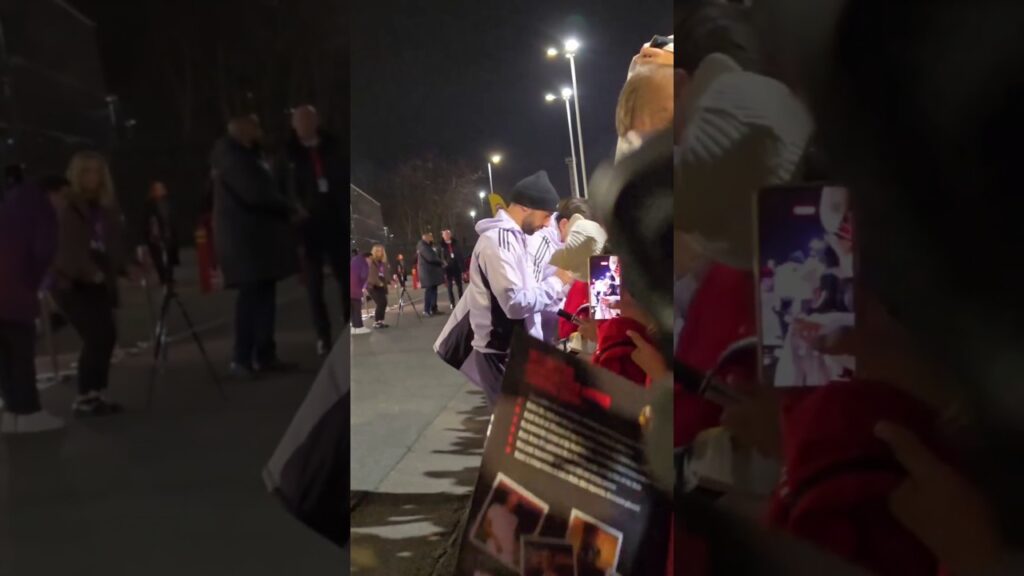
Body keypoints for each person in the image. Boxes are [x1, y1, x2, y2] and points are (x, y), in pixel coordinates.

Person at [456, 170, 573, 408]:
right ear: (526, 207)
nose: (548, 223)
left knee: (519, 434)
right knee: (510, 436)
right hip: (501, 354)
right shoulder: (498, 242)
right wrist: (558, 282)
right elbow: (515, 304)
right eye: (546, 215)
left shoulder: (516, 239)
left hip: (514, 351)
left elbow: (530, 292)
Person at [211, 114, 298, 377]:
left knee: (263, 297)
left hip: (255, 241)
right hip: (245, 242)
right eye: (255, 126)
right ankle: (242, 358)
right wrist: (289, 207)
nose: (260, 131)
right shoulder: (234, 159)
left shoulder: (246, 156)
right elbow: (255, 193)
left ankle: (264, 354)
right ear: (242, 129)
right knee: (251, 299)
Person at [53, 152, 129, 416]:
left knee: (106, 335)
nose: (92, 177)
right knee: (96, 335)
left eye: (96, 171)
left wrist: (125, 267)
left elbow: (112, 243)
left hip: (98, 277)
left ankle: (96, 392)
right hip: (71, 281)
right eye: (86, 172)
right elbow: (66, 249)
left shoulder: (105, 206)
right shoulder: (67, 206)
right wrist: (89, 272)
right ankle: (85, 396)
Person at [0, 178, 65, 432]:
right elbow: (43, 251)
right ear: (53, 193)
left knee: (4, 358)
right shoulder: (40, 211)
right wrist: (36, 281)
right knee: (21, 355)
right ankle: (29, 411)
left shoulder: (6, 208)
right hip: (17, 293)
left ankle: (12, 413)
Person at [283, 105, 347, 355]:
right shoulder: (289, 155)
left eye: (309, 120)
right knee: (314, 284)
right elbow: (283, 188)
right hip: (308, 226)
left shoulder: (333, 147)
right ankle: (322, 334)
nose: (304, 126)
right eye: (299, 122)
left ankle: (346, 326)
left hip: (335, 221)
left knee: (344, 279)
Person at [139, 180, 179, 287]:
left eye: (163, 187)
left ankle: (169, 277)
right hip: (155, 235)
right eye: (160, 188)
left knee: (169, 256)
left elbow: (171, 217)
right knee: (158, 258)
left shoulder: (168, 202)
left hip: (168, 233)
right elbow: (146, 220)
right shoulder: (149, 205)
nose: (163, 190)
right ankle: (163, 277)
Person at [417, 231, 445, 316]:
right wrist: (441, 262)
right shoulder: (424, 247)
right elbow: (431, 258)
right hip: (428, 273)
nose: (432, 238)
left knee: (433, 290)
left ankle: (433, 308)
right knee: (429, 291)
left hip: (431, 273)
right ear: (425, 237)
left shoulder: (427, 246)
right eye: (430, 237)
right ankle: (427, 310)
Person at [439, 229, 465, 310]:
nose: (446, 236)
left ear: (450, 235)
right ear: (443, 236)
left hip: (456, 266)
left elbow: (460, 255)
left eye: (448, 234)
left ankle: (462, 301)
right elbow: (439, 257)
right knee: (449, 286)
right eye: (445, 235)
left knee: (459, 285)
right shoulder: (441, 246)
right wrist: (443, 266)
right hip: (448, 268)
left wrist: (463, 268)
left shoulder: (456, 243)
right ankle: (452, 302)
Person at [367, 244, 389, 329]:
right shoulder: (371, 262)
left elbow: (385, 273)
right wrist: (378, 283)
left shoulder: (382, 262)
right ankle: (376, 322)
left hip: (381, 285)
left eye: (382, 251)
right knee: (380, 303)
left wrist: (391, 280)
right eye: (379, 251)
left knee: (384, 302)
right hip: (373, 286)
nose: (381, 253)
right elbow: (371, 275)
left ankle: (381, 321)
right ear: (375, 252)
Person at [350, 250, 371, 335]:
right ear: (368, 258)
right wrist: (364, 286)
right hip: (355, 288)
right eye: (371, 260)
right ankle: (359, 327)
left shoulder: (354, 260)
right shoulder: (364, 263)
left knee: (352, 308)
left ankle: (353, 327)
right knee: (357, 308)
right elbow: (363, 275)